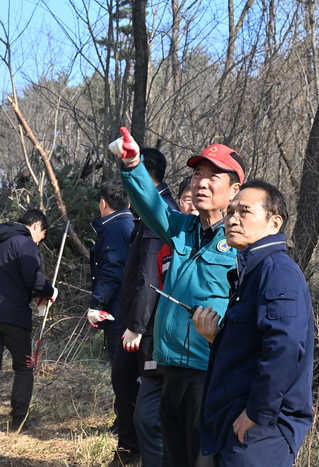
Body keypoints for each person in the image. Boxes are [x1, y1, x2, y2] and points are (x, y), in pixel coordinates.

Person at [109, 128, 244, 467]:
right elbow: (149, 203)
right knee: (174, 457)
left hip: (210, 373)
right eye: (197, 174)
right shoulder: (182, 228)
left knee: (201, 460)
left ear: (234, 190)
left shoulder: (241, 243)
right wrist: (133, 165)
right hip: (171, 368)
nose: (201, 183)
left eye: (213, 177)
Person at [192, 180, 313, 467]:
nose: (232, 219)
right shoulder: (252, 271)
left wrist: (258, 411)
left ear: (274, 223)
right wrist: (217, 337)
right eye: (230, 212)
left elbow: (285, 348)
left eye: (244, 211)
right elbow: (254, 346)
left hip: (261, 431)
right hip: (239, 423)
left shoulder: (277, 271)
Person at [109, 149, 177, 466]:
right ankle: (128, 452)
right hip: (141, 325)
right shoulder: (148, 214)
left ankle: (139, 455)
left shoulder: (157, 216)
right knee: (124, 384)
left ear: (145, 177)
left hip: (148, 329)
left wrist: (136, 326)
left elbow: (150, 276)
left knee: (147, 405)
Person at [132, 175, 197, 467]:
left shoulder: (228, 245)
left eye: (195, 201)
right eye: (186, 200)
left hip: (198, 359)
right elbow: (151, 289)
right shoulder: (165, 247)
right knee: (146, 416)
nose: (192, 206)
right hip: (160, 350)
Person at [0, 209, 58, 431]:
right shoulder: (25, 243)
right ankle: (19, 420)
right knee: (23, 367)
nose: (38, 242)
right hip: (14, 317)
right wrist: (49, 291)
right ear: (36, 225)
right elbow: (33, 279)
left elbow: (8, 279)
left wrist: (34, 292)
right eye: (41, 237)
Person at [88, 181, 135, 363]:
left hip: (119, 311)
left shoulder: (115, 228)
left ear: (104, 203)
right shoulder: (132, 223)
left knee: (121, 369)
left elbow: (113, 269)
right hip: (129, 309)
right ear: (128, 204)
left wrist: (96, 304)